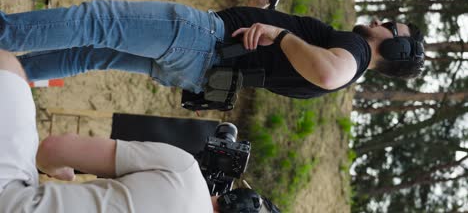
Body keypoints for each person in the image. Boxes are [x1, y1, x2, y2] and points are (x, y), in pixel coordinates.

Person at [0, 0, 424, 99]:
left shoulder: (350, 54)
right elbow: (273, 56)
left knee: (98, 21)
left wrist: (275, 30)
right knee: (90, 54)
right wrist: (262, 9)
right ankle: (10, 78)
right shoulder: (342, 50)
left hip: (204, 42)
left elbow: (329, 72)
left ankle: (5, 34)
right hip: (206, 66)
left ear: (394, 48)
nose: (382, 21)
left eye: (392, 27)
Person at [0, 49, 281, 213]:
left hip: (13, 202)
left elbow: (54, 149)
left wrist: (54, 168)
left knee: (8, 66)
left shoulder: (184, 171)